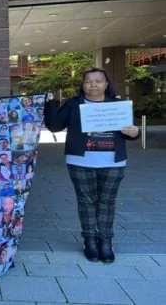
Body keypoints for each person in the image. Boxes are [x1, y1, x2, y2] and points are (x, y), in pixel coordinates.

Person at [44, 67, 140, 263]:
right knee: (86, 202)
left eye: (98, 81)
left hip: (113, 162)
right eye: (88, 81)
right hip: (80, 161)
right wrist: (49, 103)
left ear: (106, 84)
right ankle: (89, 240)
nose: (93, 85)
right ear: (83, 85)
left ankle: (105, 242)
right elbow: (54, 126)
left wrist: (135, 132)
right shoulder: (73, 104)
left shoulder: (118, 106)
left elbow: (129, 132)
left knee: (107, 202)